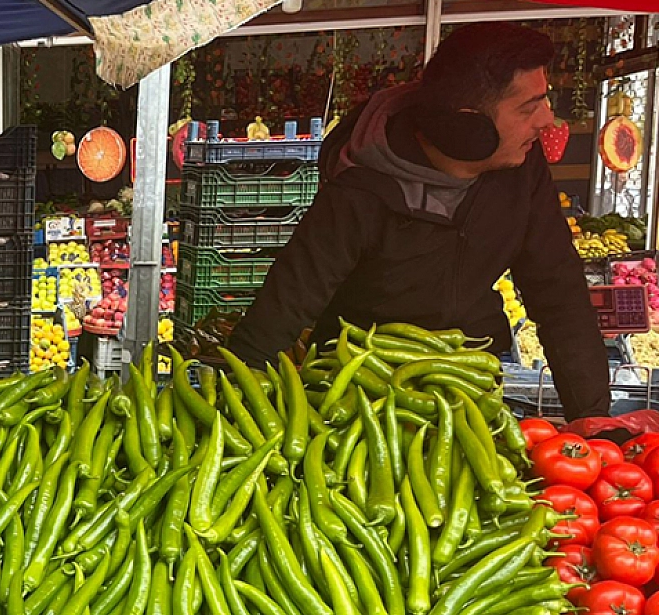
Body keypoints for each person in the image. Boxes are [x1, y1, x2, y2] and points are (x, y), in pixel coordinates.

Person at [224, 22, 609, 420]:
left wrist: (592, 413)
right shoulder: (362, 186)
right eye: (530, 107)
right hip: (357, 391)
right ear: (469, 125)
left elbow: (558, 290)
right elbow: (291, 296)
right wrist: (232, 397)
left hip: (468, 383)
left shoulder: (521, 168)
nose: (547, 120)